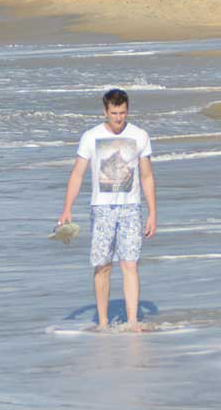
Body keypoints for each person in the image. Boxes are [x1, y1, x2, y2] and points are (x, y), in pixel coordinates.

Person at [57, 88, 157, 331]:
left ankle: (132, 321)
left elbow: (146, 176)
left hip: (131, 208)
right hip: (101, 209)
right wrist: (66, 208)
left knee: (130, 263)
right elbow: (78, 173)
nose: (119, 118)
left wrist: (153, 212)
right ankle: (102, 322)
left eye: (122, 113)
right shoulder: (90, 137)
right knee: (102, 265)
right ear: (105, 111)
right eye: (114, 113)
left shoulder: (140, 135)